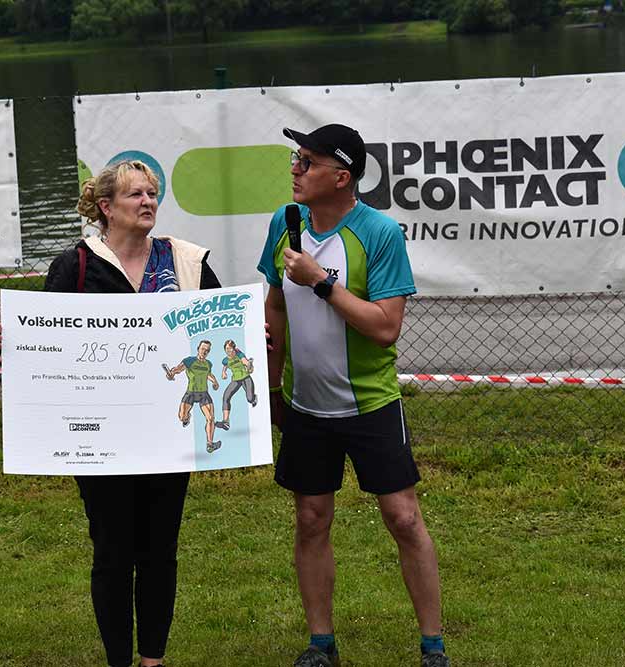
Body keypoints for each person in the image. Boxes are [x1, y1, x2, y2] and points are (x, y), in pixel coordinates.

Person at [0, 160, 221, 667]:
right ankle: (119, 660)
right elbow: (44, 342)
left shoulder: (185, 261)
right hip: (102, 440)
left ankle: (153, 660)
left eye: (152, 193)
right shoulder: (75, 266)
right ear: (106, 207)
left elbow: (221, 322)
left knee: (160, 550)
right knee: (113, 552)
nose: (148, 202)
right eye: (135, 194)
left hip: (168, 436)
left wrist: (251, 336)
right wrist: (18, 342)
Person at [258, 124, 450, 667]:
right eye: (296, 158)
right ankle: (321, 644)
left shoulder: (379, 233)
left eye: (307, 162)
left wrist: (322, 282)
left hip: (371, 405)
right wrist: (272, 386)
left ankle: (433, 647)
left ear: (341, 177)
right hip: (306, 407)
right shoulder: (284, 222)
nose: (295, 169)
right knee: (311, 519)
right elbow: (274, 306)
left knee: (404, 518)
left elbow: (385, 327)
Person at [164, 339, 222, 453]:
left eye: (207, 350)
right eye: (203, 349)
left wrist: (215, 382)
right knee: (182, 417)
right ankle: (187, 418)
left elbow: (208, 374)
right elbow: (178, 369)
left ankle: (210, 444)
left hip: (204, 394)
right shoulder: (189, 361)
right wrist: (171, 374)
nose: (204, 352)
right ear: (198, 349)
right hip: (191, 393)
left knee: (210, 418)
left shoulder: (208, 364)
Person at [215, 339, 256, 431]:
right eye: (226, 349)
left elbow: (245, 361)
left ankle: (254, 398)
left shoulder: (239, 355)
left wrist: (249, 364)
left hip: (245, 378)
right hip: (236, 380)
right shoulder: (225, 360)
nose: (228, 351)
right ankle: (226, 422)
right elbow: (225, 366)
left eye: (230, 349)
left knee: (250, 399)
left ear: (234, 349)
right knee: (226, 397)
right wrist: (223, 372)